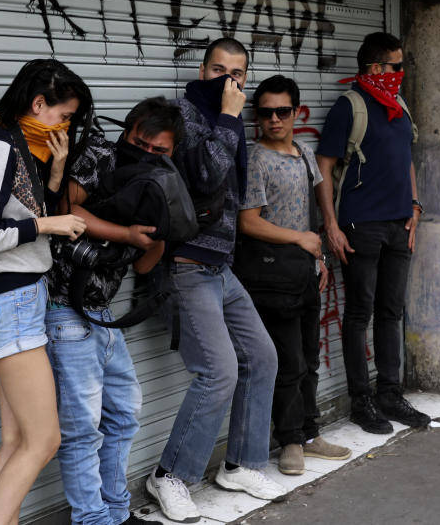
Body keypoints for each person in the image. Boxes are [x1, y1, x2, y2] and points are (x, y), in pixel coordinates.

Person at [145, 38, 284, 524]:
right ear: (202, 70)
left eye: (239, 72)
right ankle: (171, 476)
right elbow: (206, 176)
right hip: (186, 266)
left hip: (219, 266)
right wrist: (228, 117)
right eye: (220, 70)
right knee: (218, 371)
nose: (230, 80)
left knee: (262, 357)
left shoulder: (227, 117)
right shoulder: (184, 115)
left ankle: (241, 465)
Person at [0, 59, 93, 525]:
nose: (66, 126)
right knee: (45, 441)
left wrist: (56, 169)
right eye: (63, 116)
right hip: (9, 303)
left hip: (19, 301)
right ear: (38, 104)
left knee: (17, 441)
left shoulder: (23, 148)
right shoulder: (1, 148)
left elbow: (21, 210)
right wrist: (46, 223)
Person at [45, 97, 182, 525]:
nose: (147, 155)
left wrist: (158, 236)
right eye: (141, 143)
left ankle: (116, 513)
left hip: (102, 314)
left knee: (123, 415)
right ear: (128, 131)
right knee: (83, 430)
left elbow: (142, 264)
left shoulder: (162, 179)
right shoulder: (102, 154)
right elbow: (65, 206)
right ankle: (93, 519)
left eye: (161, 151)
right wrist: (125, 231)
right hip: (66, 307)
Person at [315, 32, 430, 434]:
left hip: (399, 226)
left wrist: (414, 207)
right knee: (359, 313)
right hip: (360, 226)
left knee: (391, 311)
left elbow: (407, 159)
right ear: (376, 69)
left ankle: (389, 393)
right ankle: (361, 399)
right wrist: (331, 225)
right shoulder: (350, 107)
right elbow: (324, 167)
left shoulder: (398, 104)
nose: (402, 74)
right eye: (397, 66)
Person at [237, 75, 352, 476]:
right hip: (271, 277)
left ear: (296, 113)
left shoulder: (303, 153)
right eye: (265, 112)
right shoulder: (255, 160)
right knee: (288, 362)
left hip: (304, 273)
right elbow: (247, 222)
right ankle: (288, 440)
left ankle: (308, 432)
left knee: (309, 359)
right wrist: (301, 240)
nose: (273, 119)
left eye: (282, 111)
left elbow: (309, 216)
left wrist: (317, 257)